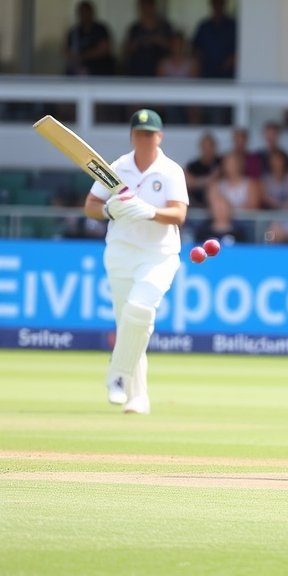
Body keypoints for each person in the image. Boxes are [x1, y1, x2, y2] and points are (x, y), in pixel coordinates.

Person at [81, 109, 189, 414]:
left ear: (160, 136)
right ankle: (137, 396)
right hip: (120, 252)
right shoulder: (116, 169)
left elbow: (179, 214)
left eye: (150, 134)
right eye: (139, 133)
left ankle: (117, 375)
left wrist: (149, 211)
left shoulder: (170, 171)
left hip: (159, 254)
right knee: (128, 324)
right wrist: (110, 211)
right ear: (132, 136)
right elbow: (91, 205)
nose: (144, 139)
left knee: (139, 311)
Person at [65, 1, 116, 76]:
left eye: (86, 12)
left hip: (100, 68)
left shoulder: (100, 29)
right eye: (82, 12)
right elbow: (68, 52)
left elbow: (104, 49)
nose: (84, 15)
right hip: (79, 69)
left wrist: (83, 56)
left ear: (92, 13)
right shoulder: (74, 32)